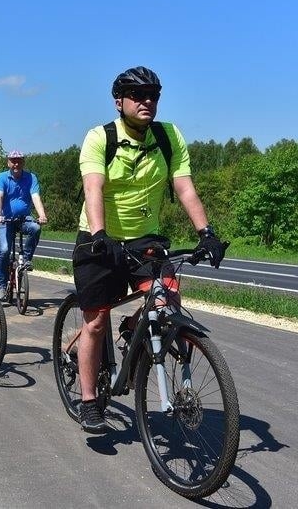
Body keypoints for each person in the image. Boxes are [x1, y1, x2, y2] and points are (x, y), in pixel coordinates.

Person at [73, 66, 226, 434]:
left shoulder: (169, 136)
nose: (147, 102)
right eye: (138, 95)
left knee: (167, 302)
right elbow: (93, 187)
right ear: (119, 101)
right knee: (94, 322)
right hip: (100, 237)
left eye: (153, 95)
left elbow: (185, 187)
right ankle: (90, 400)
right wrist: (99, 233)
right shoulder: (100, 137)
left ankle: (135, 327)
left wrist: (206, 232)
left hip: (145, 240)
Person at [0, 150, 48, 301]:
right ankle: (1, 285)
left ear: (23, 162)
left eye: (19, 161)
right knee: (4, 251)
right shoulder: (2, 177)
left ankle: (27, 259)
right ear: (8, 162)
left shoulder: (30, 177)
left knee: (35, 228)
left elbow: (35, 197)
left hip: (24, 218)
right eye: (13, 160)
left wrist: (42, 215)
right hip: (6, 220)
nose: (16, 163)